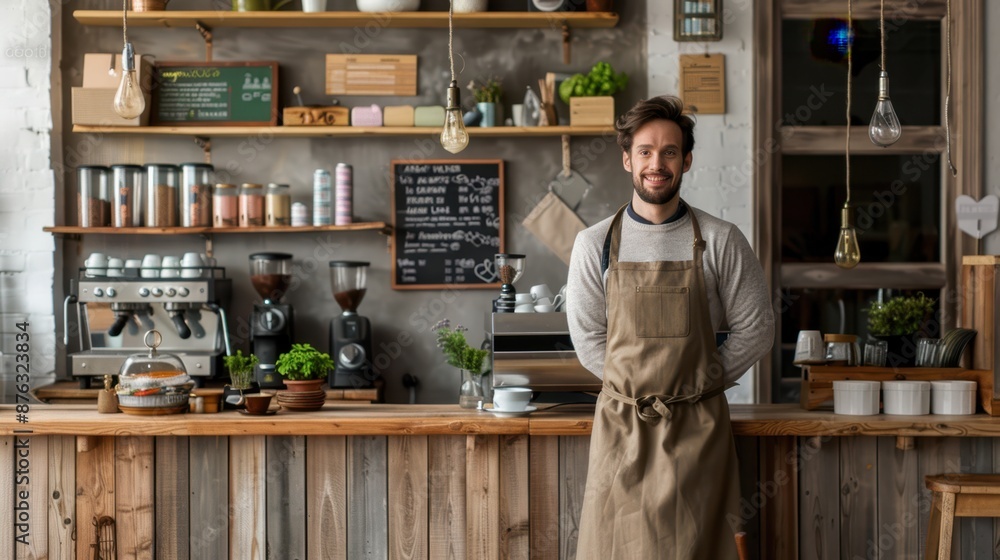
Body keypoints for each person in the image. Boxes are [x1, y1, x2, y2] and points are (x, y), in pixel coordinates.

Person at [567, 95, 774, 559]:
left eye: (669, 152)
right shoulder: (593, 243)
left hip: (697, 428)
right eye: (645, 151)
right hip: (622, 427)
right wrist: (638, 389)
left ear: (687, 160)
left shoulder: (721, 239)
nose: (656, 163)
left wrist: (697, 383)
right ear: (627, 159)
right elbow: (586, 338)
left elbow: (757, 328)